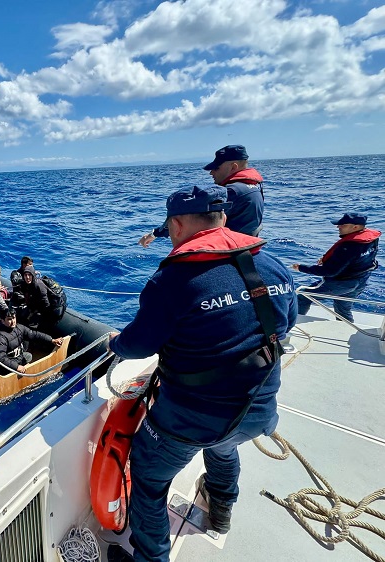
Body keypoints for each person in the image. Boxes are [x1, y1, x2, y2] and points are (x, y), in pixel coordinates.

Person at [106, 185, 296, 562]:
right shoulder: (272, 264)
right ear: (222, 218)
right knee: (224, 447)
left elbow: (138, 345)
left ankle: (149, 557)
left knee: (149, 477)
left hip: (190, 421)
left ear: (176, 224)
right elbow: (285, 324)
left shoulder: (172, 282)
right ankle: (221, 512)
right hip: (257, 412)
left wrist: (114, 344)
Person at [138, 145, 265, 248]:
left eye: (216, 168)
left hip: (230, 253)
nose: (211, 172)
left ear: (233, 167)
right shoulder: (255, 187)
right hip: (246, 249)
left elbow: (194, 220)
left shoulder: (232, 192)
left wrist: (155, 233)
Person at [292, 213, 379, 322]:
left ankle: (293, 325)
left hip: (342, 283)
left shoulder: (347, 247)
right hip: (361, 281)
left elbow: (330, 271)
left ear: (355, 227)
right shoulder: (371, 239)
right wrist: (329, 259)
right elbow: (359, 258)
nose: (338, 227)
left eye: (342, 225)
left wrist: (301, 268)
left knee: (303, 296)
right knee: (342, 308)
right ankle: (345, 331)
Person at [0, 307, 64, 374]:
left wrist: (51, 340)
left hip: (18, 358)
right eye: (9, 319)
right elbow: (0, 357)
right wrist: (17, 367)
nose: (13, 321)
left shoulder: (19, 328)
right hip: (7, 366)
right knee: (26, 358)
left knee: (28, 356)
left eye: (14, 318)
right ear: (2, 321)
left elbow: (34, 334)